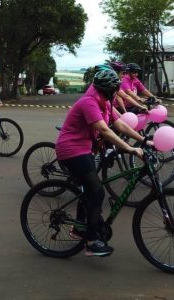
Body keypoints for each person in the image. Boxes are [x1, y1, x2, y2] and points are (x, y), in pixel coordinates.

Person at [55, 69, 147, 257]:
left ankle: (79, 229)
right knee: (97, 191)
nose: (117, 91)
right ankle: (90, 241)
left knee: (89, 189)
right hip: (71, 149)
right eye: (115, 88)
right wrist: (130, 149)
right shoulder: (89, 102)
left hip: (85, 149)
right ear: (109, 90)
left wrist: (144, 141)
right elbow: (104, 130)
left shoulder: (105, 101)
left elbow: (120, 123)